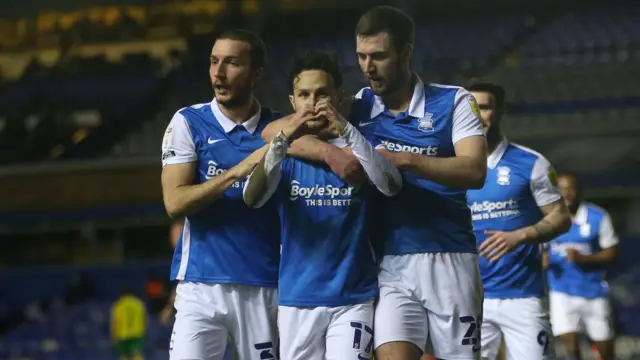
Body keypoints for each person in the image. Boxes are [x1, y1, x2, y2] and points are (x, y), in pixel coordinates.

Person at [262, 6, 487, 360]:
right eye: (362, 56)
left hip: (449, 254)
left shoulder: (453, 101)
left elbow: (474, 171)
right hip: (389, 263)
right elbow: (274, 131)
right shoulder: (360, 105)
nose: (368, 66)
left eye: (379, 56)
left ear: (406, 52)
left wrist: (407, 160)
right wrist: (329, 153)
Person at [244, 51, 402, 360]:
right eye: (304, 94)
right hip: (297, 299)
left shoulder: (359, 145)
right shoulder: (285, 152)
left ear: (338, 96)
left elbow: (391, 185)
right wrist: (282, 139)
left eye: (322, 93)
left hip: (353, 298)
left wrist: (345, 130)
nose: (313, 102)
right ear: (292, 101)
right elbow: (253, 197)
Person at [160, 29, 281, 360]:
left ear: (256, 73)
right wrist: (235, 173)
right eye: (214, 62)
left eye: (232, 63)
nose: (218, 72)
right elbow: (174, 203)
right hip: (200, 286)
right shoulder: (189, 122)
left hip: (264, 286)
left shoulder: (278, 129)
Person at [465, 82, 572, 360]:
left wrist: (522, 235)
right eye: (470, 108)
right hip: (470, 299)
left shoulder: (531, 163)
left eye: (484, 107)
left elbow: (561, 217)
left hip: (523, 298)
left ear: (500, 111)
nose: (477, 116)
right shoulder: (454, 167)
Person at [544, 173, 619, 360]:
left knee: (605, 347)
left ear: (579, 191)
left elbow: (612, 252)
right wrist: (542, 260)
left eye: (571, 188)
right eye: (561, 189)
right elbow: (537, 250)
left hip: (593, 291)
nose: (566, 193)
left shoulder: (598, 216)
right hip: (561, 291)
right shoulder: (546, 218)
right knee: (570, 343)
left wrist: (584, 258)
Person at [111, 287, 147, 360]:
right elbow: (144, 320)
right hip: (137, 335)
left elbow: (115, 322)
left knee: (124, 356)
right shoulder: (139, 304)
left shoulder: (118, 305)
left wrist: (113, 337)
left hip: (123, 336)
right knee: (136, 355)